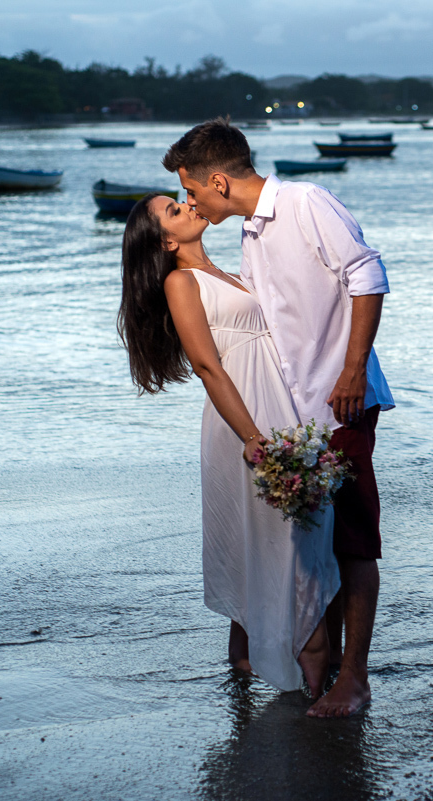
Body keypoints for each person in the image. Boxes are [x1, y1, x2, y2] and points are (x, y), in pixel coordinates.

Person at [163, 118, 393, 718]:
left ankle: (355, 681)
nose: (190, 201)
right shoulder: (249, 237)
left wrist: (352, 369)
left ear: (217, 180)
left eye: (189, 190)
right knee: (318, 546)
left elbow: (367, 275)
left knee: (352, 543)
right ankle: (321, 665)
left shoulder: (305, 203)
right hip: (297, 417)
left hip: (339, 402)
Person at [117, 190, 340, 701]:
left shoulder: (232, 270)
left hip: (276, 403)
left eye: (180, 200)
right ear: (167, 242)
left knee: (274, 532)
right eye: (174, 210)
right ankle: (309, 671)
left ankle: (245, 659)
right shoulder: (181, 282)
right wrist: (253, 438)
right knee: (277, 534)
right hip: (242, 415)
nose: (187, 205)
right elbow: (207, 366)